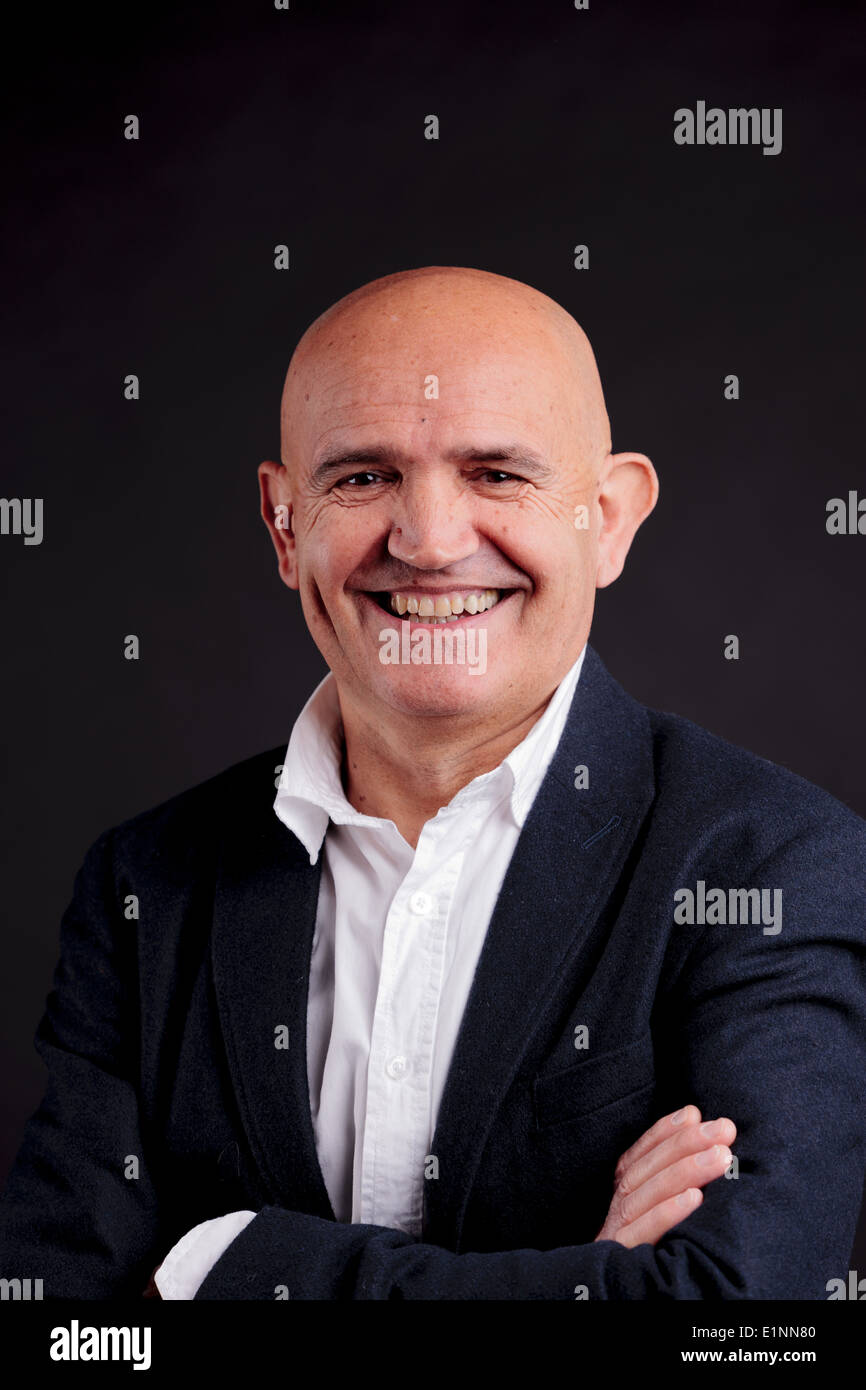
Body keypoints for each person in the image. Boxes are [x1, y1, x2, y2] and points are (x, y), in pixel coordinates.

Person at [1, 267, 864, 1300]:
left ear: (608, 517)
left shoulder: (772, 862)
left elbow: (735, 1325)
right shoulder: (146, 881)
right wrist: (584, 1281)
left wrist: (215, 1266)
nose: (430, 542)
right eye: (362, 477)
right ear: (284, 525)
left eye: (496, 473)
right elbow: (61, 1328)